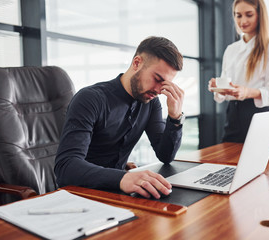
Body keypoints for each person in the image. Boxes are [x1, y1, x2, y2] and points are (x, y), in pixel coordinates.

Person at [55, 36, 185, 199]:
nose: (159, 90)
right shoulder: (90, 99)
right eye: (157, 79)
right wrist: (122, 178)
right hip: (81, 195)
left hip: (118, 193)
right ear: (137, 63)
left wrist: (175, 117)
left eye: (165, 84)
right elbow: (66, 167)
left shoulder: (150, 103)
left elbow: (165, 155)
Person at [208, 0, 269, 143]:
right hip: (232, 113)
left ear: (260, 15)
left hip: (258, 114)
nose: (242, 21)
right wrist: (218, 88)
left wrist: (246, 92)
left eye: (249, 15)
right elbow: (226, 85)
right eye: (238, 15)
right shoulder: (231, 49)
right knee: (227, 160)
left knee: (261, 163)